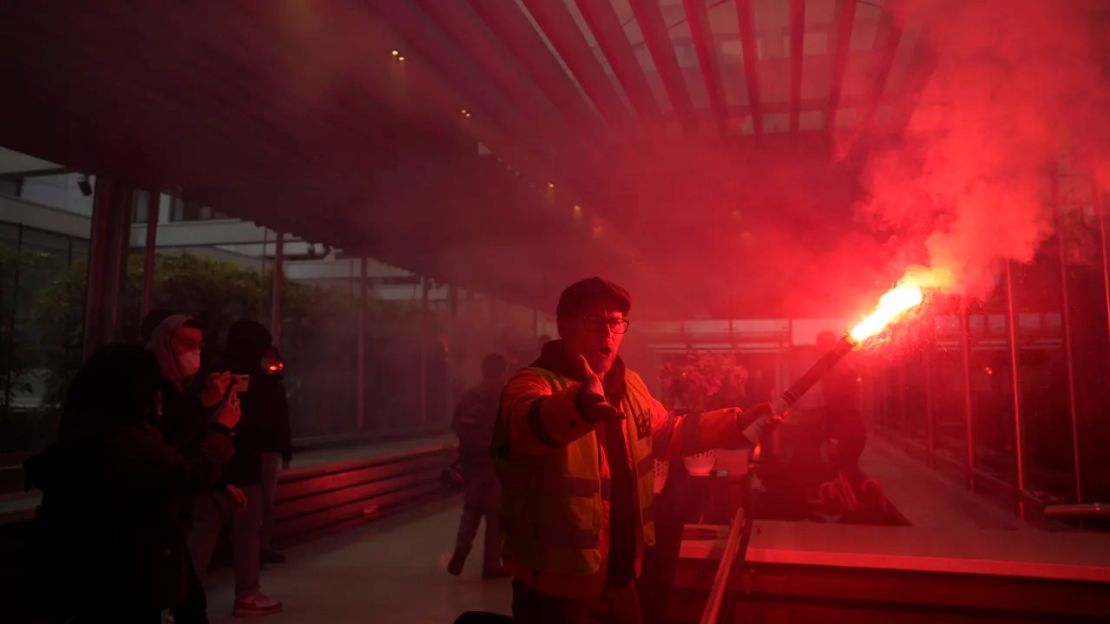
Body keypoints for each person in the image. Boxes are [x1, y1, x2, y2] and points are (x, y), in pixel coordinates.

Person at [492, 277, 781, 623]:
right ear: (564, 325)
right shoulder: (533, 384)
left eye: (615, 322)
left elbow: (670, 433)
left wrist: (736, 422)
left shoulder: (630, 386)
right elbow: (527, 427)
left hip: (622, 582)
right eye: (593, 320)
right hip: (556, 593)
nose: (607, 333)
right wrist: (579, 406)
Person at [23, 344, 239, 623]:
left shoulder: (83, 430)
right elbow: (185, 475)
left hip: (83, 568)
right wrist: (221, 430)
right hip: (128, 568)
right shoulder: (125, 441)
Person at [189, 320, 284, 617]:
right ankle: (247, 594)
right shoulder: (260, 378)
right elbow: (268, 421)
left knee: (202, 530)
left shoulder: (212, 370)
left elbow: (194, 413)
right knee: (246, 532)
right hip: (244, 468)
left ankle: (183, 596)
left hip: (207, 464)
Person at [447, 353, 510, 579]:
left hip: (470, 464)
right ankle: (491, 563)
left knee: (471, 509)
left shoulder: (470, 396)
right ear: (502, 373)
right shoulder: (503, 397)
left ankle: (461, 549)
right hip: (494, 464)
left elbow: (456, 424)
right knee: (495, 516)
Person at [258, 344, 292, 565]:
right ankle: (253, 548)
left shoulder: (276, 387)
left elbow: (283, 421)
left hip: (271, 450)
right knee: (257, 503)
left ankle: (263, 546)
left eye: (275, 359)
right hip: (256, 449)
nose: (273, 364)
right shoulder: (254, 385)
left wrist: (285, 450)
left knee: (267, 502)